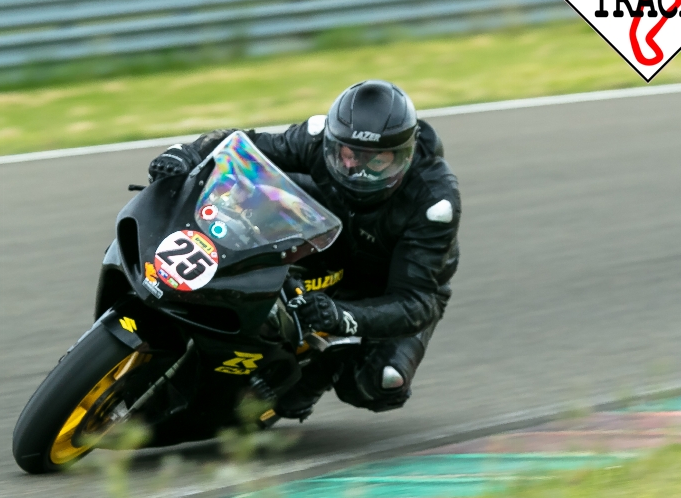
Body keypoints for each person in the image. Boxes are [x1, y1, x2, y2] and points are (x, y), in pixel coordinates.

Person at [146, 80, 460, 419]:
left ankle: (321, 366)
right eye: (350, 155)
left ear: (405, 155)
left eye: (378, 161)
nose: (359, 171)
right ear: (333, 143)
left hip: (384, 284)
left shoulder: (434, 202)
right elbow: (243, 146)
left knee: (382, 381)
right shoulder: (315, 138)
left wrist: (342, 316)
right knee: (251, 185)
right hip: (326, 231)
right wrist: (187, 153)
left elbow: (417, 301)